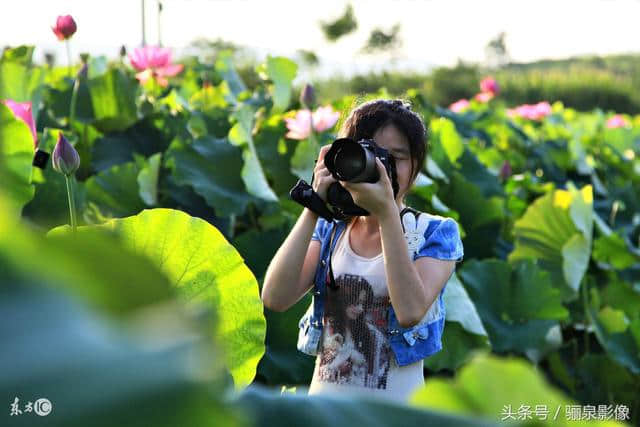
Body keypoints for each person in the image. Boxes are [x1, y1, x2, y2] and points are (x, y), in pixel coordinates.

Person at [261, 99, 462, 403]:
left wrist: (386, 213)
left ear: (416, 167)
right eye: (373, 155)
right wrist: (315, 205)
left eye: (397, 157)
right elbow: (275, 298)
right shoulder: (331, 230)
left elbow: (409, 311)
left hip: (395, 414)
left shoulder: (434, 233)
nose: (383, 167)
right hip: (326, 411)